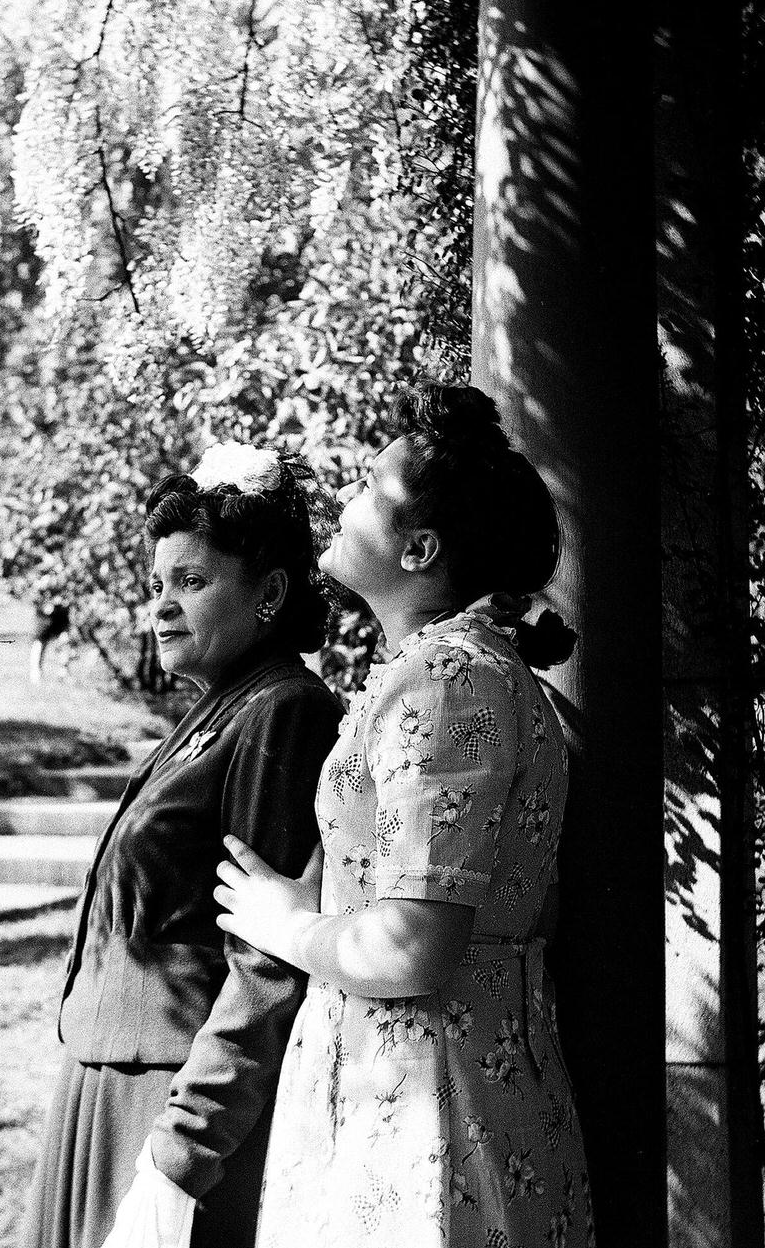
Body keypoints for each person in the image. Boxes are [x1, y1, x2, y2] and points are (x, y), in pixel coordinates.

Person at [215, 385, 595, 1247]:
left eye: (368, 486)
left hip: (425, 1114)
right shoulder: (462, 669)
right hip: (443, 1090)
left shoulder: (449, 680)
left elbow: (414, 945)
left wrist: (291, 926)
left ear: (420, 548)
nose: (345, 503)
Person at [21, 443, 342, 1248]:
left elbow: (266, 963)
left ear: (270, 592)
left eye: (191, 582)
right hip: (106, 1084)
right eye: (156, 585)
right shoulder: (218, 708)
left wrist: (183, 1150)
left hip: (172, 1097)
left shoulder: (283, 711)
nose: (161, 607)